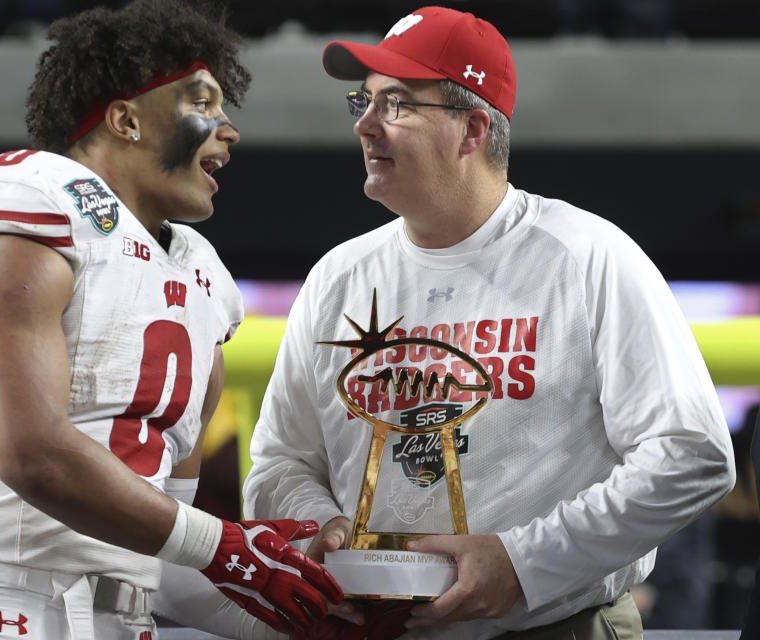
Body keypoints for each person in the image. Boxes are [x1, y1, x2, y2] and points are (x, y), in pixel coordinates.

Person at [242, 5, 736, 638]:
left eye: (395, 104)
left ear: (471, 130)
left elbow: (691, 455)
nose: (365, 125)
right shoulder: (338, 276)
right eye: (361, 102)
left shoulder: (588, 257)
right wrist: (320, 530)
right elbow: (280, 464)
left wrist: (524, 564)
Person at [0, 2, 341, 639]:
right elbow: (35, 455)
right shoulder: (34, 198)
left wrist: (308, 614)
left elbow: (165, 546)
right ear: (125, 119)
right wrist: (226, 546)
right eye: (203, 102)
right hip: (3, 601)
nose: (229, 131)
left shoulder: (203, 277)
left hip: (130, 621)